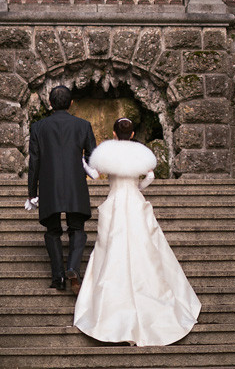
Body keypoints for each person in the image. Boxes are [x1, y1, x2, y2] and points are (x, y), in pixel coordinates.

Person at [73, 118, 201, 346]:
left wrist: (82, 162)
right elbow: (150, 176)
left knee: (111, 250)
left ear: (114, 133)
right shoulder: (140, 152)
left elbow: (94, 174)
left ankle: (108, 314)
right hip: (134, 200)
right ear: (132, 134)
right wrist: (136, 188)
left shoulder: (107, 152)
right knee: (146, 249)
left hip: (114, 202)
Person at [27, 85, 97, 294]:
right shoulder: (83, 125)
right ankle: (73, 267)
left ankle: (58, 277)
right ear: (71, 103)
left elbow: (34, 162)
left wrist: (32, 192)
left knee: (52, 231)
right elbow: (93, 156)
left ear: (50, 103)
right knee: (77, 229)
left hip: (49, 185)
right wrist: (83, 164)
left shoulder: (38, 127)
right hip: (75, 184)